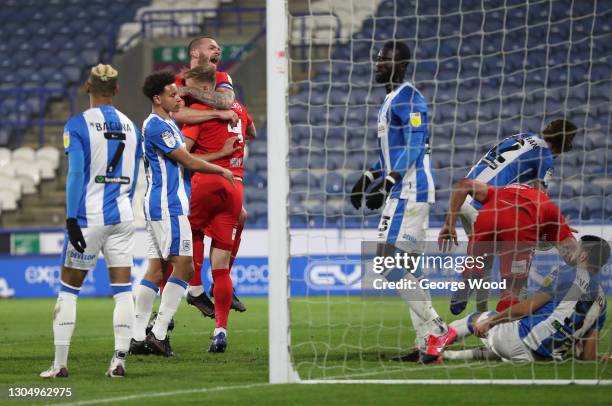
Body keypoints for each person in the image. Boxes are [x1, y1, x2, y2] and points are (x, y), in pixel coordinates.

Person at [349, 40, 454, 363]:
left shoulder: (410, 98)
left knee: (386, 263)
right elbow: (393, 152)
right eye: (378, 59)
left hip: (410, 190)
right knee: (410, 268)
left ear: (402, 65)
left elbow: (416, 144)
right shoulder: (390, 100)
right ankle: (426, 345)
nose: (378, 64)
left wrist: (390, 181)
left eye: (385, 60)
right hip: (404, 188)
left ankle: (437, 327)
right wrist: (369, 177)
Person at [40, 64, 142, 378]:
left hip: (89, 218)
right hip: (123, 217)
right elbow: (136, 176)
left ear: (88, 87)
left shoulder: (77, 125)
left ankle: (59, 365)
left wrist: (71, 218)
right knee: (123, 290)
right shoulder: (131, 126)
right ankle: (119, 361)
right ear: (117, 90)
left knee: (69, 290)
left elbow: (75, 174)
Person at [130, 71, 235, 357]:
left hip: (159, 204)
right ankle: (159, 333)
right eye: (173, 94)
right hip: (168, 206)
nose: (178, 98)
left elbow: (186, 161)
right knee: (186, 267)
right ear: (157, 98)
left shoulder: (167, 124)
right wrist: (222, 168)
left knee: (156, 269)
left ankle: (138, 337)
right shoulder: (157, 126)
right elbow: (188, 160)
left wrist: (218, 155)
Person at [161, 35, 248, 315]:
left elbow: (225, 100)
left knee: (240, 216)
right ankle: (188, 294)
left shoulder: (222, 76)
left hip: (206, 166)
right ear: (195, 52)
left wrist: (192, 92)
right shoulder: (174, 79)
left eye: (219, 48)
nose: (218, 50)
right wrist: (217, 114)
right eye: (212, 47)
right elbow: (179, 116)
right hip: (181, 167)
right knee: (179, 239)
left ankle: (211, 285)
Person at [453, 120, 578, 313]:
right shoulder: (545, 156)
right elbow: (539, 198)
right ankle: (508, 324)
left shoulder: (521, 137)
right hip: (486, 204)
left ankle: (478, 313)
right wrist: (556, 225)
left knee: (484, 262)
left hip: (467, 197)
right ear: (563, 145)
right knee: (517, 270)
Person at [443, 235, 609, 363]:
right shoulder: (602, 300)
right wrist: (599, 357)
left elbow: (527, 308)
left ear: (583, 256)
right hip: (544, 359)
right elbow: (588, 355)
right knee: (501, 348)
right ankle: (450, 355)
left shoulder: (568, 272)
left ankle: (434, 345)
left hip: (522, 339)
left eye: (577, 249)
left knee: (478, 318)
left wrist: (492, 321)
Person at [180, 64, 254, 352]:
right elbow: (253, 131)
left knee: (192, 231)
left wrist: (216, 152)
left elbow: (184, 154)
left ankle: (195, 288)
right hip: (235, 186)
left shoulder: (199, 114)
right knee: (221, 269)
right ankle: (220, 331)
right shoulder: (240, 110)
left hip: (209, 179)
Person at [438, 179, 578, 315]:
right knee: (510, 291)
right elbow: (572, 251)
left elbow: (463, 184)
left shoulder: (503, 189)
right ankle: (498, 327)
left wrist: (449, 224)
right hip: (520, 227)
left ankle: (469, 276)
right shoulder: (548, 205)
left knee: (476, 260)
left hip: (489, 217)